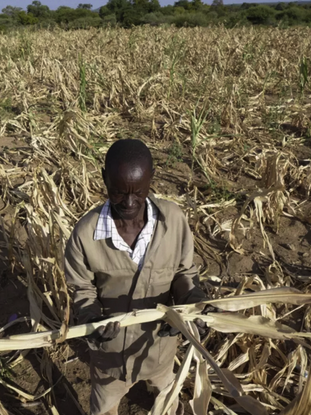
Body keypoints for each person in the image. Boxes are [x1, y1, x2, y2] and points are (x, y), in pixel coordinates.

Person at [64, 139, 211, 415]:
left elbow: (183, 273)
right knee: (105, 409)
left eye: (139, 192)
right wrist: (93, 320)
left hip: (159, 352)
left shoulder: (174, 221)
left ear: (151, 179)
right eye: (118, 193)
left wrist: (193, 304)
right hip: (110, 361)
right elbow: (81, 289)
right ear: (104, 177)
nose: (129, 203)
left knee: (167, 400)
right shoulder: (85, 236)